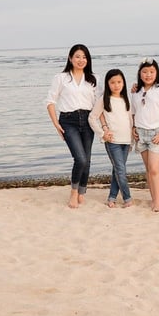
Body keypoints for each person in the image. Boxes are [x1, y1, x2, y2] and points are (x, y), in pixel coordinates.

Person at [46, 44, 97, 209]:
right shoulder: (61, 78)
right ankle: (74, 192)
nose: (81, 60)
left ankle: (82, 191)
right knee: (80, 159)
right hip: (68, 120)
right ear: (70, 58)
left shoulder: (93, 79)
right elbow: (50, 102)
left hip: (89, 120)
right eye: (77, 56)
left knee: (87, 160)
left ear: (87, 60)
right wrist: (56, 124)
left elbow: (100, 103)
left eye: (84, 57)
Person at [132, 58, 159, 212]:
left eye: (151, 72)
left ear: (156, 73)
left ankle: (158, 201)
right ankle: (153, 198)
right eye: (144, 72)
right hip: (141, 134)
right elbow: (134, 113)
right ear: (140, 74)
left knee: (155, 169)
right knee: (148, 169)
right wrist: (133, 129)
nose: (148, 75)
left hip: (157, 133)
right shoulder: (136, 92)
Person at [89, 68, 134, 208]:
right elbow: (92, 117)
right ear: (108, 84)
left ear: (123, 83)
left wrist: (133, 138)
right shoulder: (104, 99)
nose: (116, 85)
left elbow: (130, 119)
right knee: (120, 170)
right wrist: (103, 133)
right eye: (113, 82)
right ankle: (127, 198)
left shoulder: (126, 98)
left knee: (117, 170)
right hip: (112, 141)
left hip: (126, 141)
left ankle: (112, 197)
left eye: (119, 82)